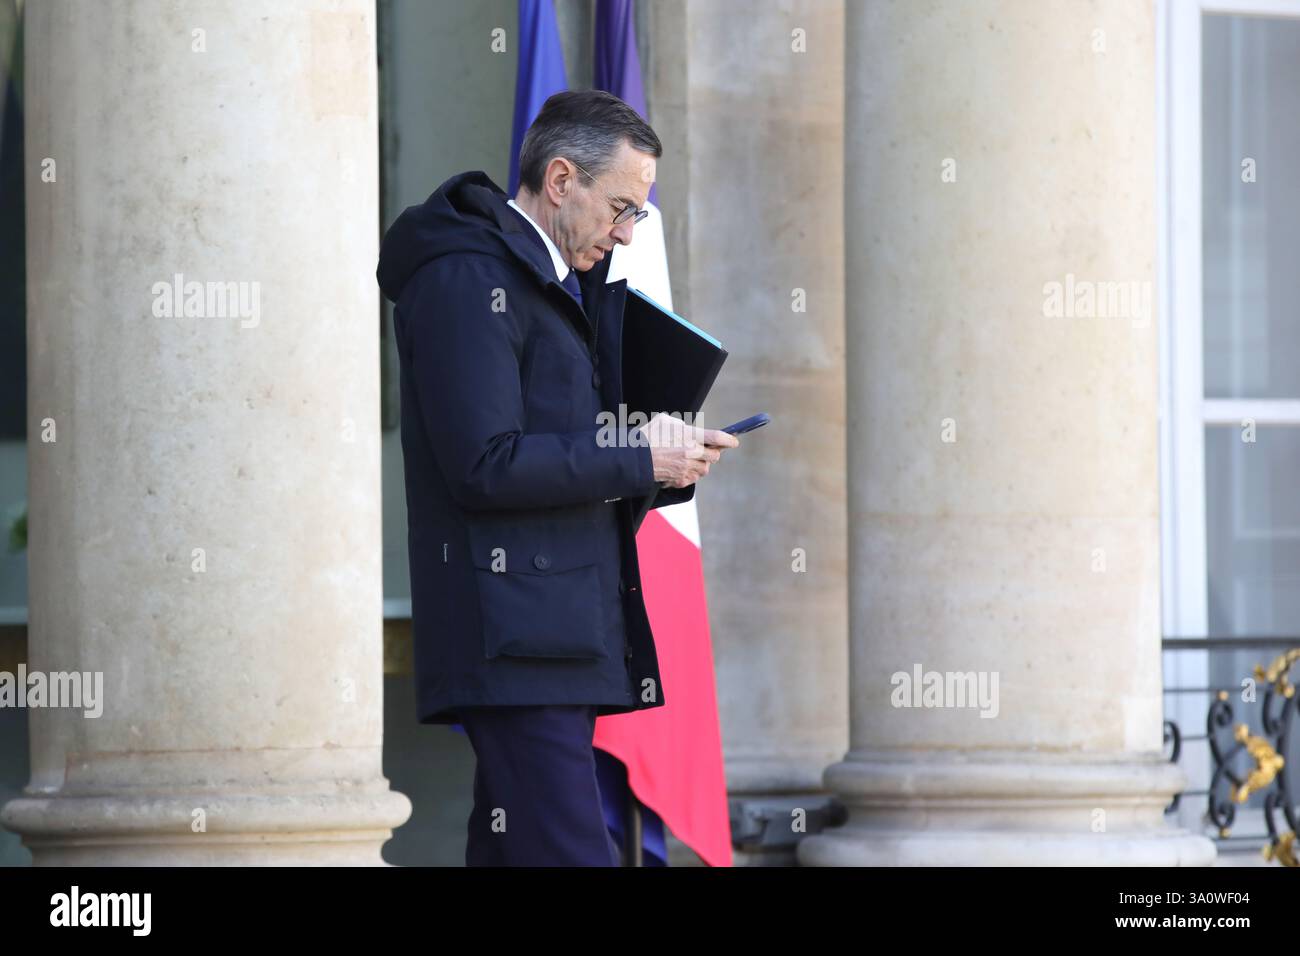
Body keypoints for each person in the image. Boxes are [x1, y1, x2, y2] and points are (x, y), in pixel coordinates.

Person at [375, 89, 738, 866]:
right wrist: (640, 456)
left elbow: (563, 455)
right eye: (620, 207)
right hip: (514, 641)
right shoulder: (468, 279)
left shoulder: (555, 285)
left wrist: (661, 462)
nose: (627, 232)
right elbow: (485, 463)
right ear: (562, 178)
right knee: (573, 853)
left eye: (637, 214)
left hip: (552, 634)